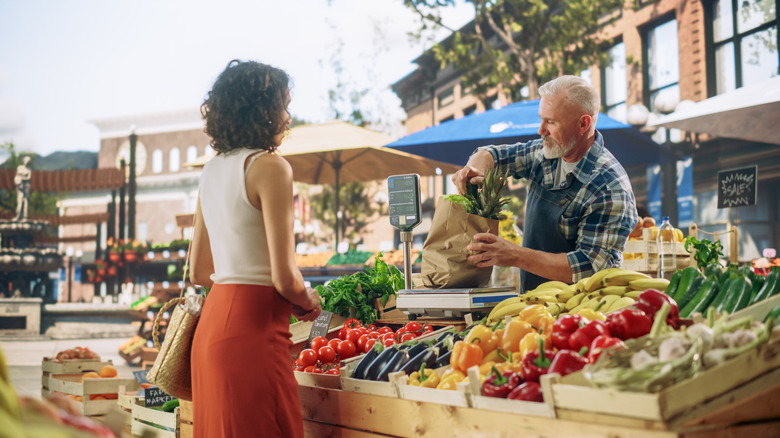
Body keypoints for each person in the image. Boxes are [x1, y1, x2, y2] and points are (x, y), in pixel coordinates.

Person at [189, 59, 321, 438]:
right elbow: (285, 276)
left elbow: (200, 271)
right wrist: (308, 299)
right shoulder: (270, 167)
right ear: (262, 110)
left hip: (212, 330)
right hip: (253, 334)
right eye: (283, 105)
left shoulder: (211, 170)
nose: (287, 116)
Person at [452, 75, 638, 293]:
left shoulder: (609, 187)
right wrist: (475, 170)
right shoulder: (547, 153)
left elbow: (590, 267)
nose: (541, 130)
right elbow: (493, 154)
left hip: (583, 312)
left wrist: (515, 255)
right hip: (534, 302)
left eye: (551, 121)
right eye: (542, 119)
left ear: (583, 123)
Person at [14, 155, 32, 221]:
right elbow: (17, 176)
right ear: (24, 161)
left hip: (26, 186)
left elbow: (29, 177)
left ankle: (25, 217)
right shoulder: (20, 167)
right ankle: (18, 216)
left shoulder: (29, 169)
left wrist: (22, 178)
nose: (27, 162)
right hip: (20, 186)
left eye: (28, 161)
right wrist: (19, 181)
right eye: (26, 161)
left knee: (25, 201)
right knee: (19, 200)